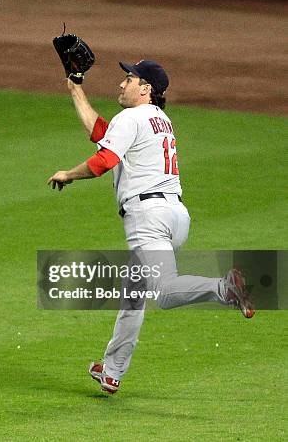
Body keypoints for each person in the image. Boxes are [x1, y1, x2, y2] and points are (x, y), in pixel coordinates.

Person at [47, 60, 254, 395]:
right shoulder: (159, 119)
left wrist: (67, 174)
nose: (121, 83)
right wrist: (75, 88)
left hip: (148, 217)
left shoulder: (132, 117)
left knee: (165, 292)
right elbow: (101, 135)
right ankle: (112, 371)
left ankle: (224, 288)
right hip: (174, 216)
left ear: (145, 89)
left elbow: (104, 162)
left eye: (129, 78)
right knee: (133, 296)